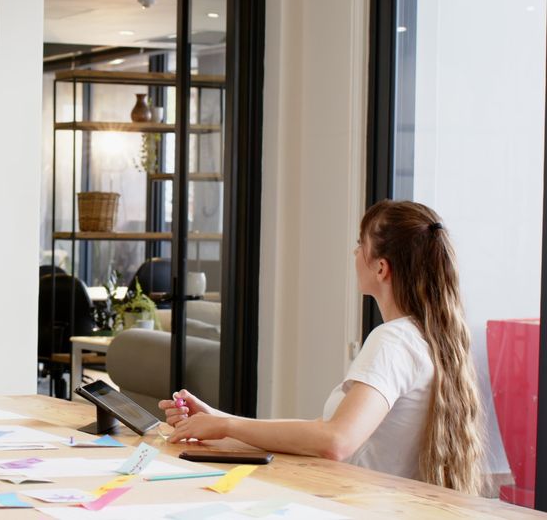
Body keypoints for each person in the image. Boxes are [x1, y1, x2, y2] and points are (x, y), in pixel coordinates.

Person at [160, 200, 483, 494]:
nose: (355, 253)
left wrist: (226, 426)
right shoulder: (427, 337)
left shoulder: (393, 341)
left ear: (381, 268)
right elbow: (322, 430)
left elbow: (336, 440)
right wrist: (218, 419)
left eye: (360, 245)